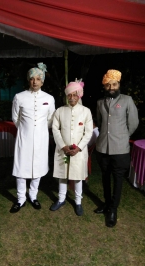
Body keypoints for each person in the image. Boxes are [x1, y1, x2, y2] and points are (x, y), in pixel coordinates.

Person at [95, 69, 139, 227]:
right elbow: (99, 123)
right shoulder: (100, 102)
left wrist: (123, 136)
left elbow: (133, 123)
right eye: (108, 85)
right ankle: (106, 204)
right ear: (104, 86)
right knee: (105, 177)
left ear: (119, 84)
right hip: (102, 148)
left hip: (120, 150)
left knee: (118, 179)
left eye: (114, 84)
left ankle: (113, 209)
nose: (111, 87)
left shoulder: (127, 100)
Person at [10, 62, 55, 213]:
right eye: (32, 78)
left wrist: (40, 131)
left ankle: (33, 196)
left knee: (38, 167)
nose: (35, 81)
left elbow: (51, 119)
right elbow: (15, 118)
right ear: (28, 80)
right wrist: (25, 131)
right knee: (21, 169)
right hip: (24, 139)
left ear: (42, 81)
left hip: (42, 139)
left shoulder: (49, 98)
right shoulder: (19, 97)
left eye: (38, 78)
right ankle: (21, 198)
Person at [50, 79, 93, 216]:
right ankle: (61, 198)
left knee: (77, 176)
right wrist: (63, 146)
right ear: (66, 96)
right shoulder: (60, 111)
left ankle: (78, 201)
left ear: (79, 95)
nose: (72, 97)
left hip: (78, 151)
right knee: (63, 175)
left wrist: (79, 147)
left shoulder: (86, 111)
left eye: (75, 94)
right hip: (63, 149)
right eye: (70, 95)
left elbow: (89, 132)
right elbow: (55, 130)